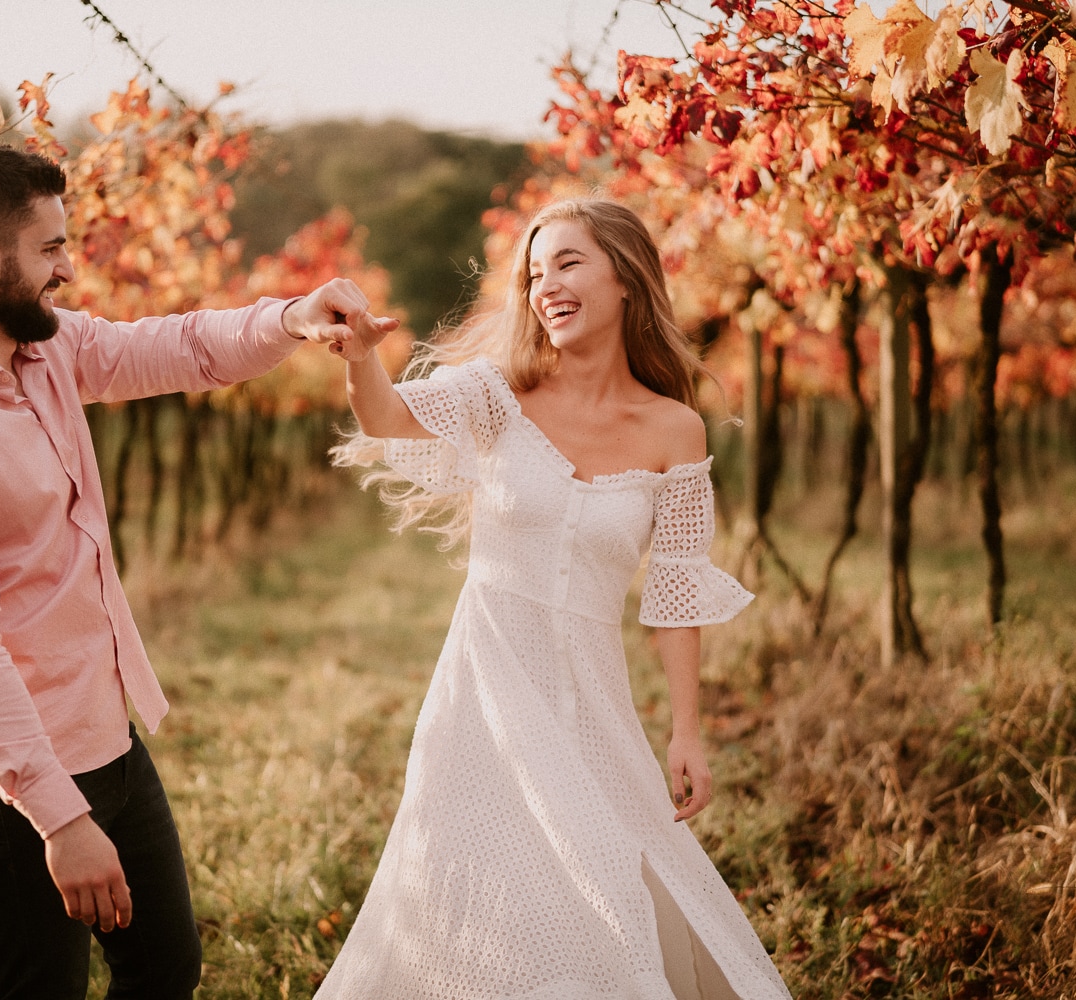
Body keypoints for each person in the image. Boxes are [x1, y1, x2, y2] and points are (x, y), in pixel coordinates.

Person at [0, 139, 394, 1000]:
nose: (68, 269)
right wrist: (61, 822)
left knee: (165, 968)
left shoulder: (45, 351)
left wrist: (293, 317)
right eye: (51, 249)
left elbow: (181, 346)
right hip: (13, 782)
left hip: (105, 734)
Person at [317, 197, 793, 999]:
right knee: (481, 889)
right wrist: (362, 359)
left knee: (607, 882)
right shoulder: (496, 394)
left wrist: (686, 730)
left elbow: (675, 597)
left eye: (568, 263)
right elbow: (388, 416)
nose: (547, 287)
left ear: (626, 278)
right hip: (483, 699)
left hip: (594, 709)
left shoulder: (676, 430)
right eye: (535, 274)